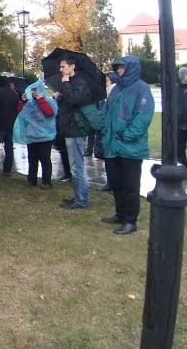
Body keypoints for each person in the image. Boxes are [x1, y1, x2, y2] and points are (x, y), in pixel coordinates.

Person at [100, 56, 155, 234]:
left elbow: (143, 116)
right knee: (116, 183)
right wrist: (105, 130)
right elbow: (106, 112)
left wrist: (127, 135)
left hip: (130, 147)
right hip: (112, 145)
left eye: (122, 68)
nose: (119, 71)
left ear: (131, 68)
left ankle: (130, 220)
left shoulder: (141, 88)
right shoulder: (117, 89)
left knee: (130, 185)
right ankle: (120, 213)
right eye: (117, 68)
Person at [56, 55, 93, 210]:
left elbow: (74, 100)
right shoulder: (71, 82)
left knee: (77, 166)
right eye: (60, 67)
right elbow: (68, 104)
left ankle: (81, 199)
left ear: (72, 67)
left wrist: (65, 84)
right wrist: (59, 97)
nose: (61, 69)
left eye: (63, 66)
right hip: (69, 128)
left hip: (76, 129)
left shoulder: (80, 81)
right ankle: (79, 196)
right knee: (75, 166)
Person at [12, 80, 58, 187]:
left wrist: (40, 100)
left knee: (45, 159)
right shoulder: (30, 103)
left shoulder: (49, 101)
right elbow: (21, 112)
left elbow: (49, 113)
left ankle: (46, 182)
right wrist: (22, 101)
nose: (33, 93)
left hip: (45, 137)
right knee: (32, 159)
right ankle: (31, 180)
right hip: (32, 136)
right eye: (32, 91)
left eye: (35, 91)